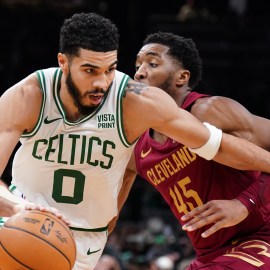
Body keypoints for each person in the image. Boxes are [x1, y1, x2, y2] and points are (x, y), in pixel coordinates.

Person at [1, 13, 270, 270]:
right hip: (25, 226)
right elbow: (125, 179)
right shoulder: (31, 95)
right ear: (63, 62)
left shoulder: (166, 106)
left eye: (110, 69)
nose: (101, 82)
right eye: (90, 70)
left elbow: (219, 146)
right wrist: (18, 207)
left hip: (258, 234)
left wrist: (246, 201)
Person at [113, 31, 270, 269]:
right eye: (137, 66)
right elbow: (109, 213)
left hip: (261, 236)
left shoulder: (209, 111)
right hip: (211, 254)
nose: (139, 72)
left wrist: (245, 203)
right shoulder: (137, 147)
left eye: (152, 63)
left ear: (181, 77)